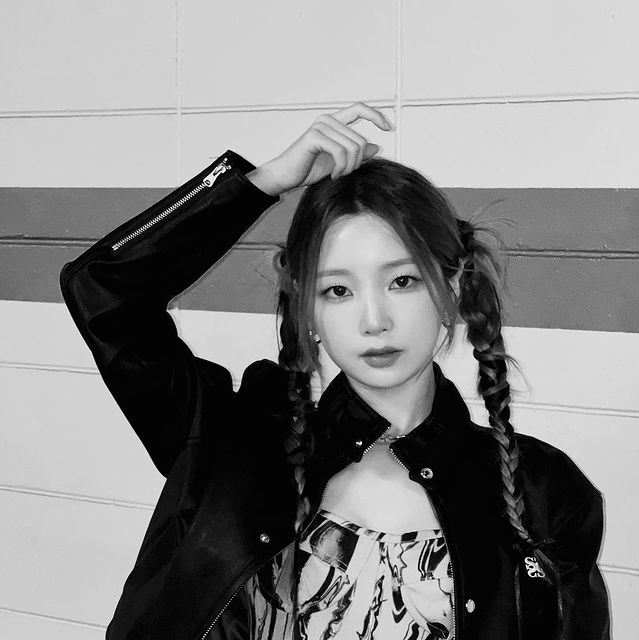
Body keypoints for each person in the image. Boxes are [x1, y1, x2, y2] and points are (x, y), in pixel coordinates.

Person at [60, 102, 610, 640]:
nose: (374, 321)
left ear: (452, 290)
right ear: (308, 309)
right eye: (338, 290)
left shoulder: (544, 491)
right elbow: (102, 291)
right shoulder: (231, 445)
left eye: (402, 281)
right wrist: (262, 183)